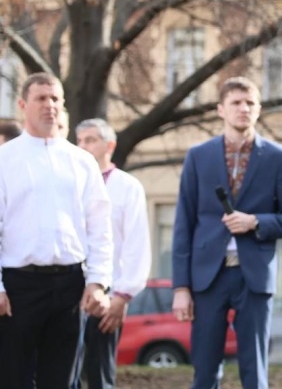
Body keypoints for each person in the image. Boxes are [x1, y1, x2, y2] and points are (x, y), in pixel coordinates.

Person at [171, 77, 282, 389]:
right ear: (221, 109)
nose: (243, 108)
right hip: (208, 277)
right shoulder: (198, 156)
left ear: (258, 110)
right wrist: (181, 287)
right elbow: (183, 224)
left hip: (254, 276)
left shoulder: (277, 157)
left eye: (250, 103)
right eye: (236, 102)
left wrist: (255, 222)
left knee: (255, 372)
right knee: (204, 372)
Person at [0, 73, 113, 389]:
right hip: (18, 286)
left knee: (62, 381)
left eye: (55, 99)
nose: (49, 105)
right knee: (13, 379)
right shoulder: (5, 160)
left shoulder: (82, 162)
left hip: (70, 285)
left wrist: (98, 282)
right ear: (23, 105)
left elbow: (99, 226)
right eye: (41, 98)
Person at [72, 119, 152, 389]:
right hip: (67, 292)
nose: (83, 146)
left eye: (90, 140)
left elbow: (136, 244)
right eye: (79, 140)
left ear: (110, 145)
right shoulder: (70, 183)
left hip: (106, 298)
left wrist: (122, 296)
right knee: (63, 375)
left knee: (99, 375)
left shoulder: (127, 187)